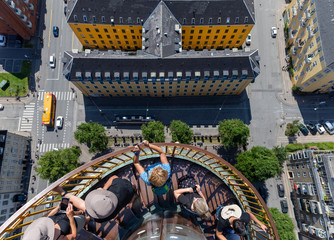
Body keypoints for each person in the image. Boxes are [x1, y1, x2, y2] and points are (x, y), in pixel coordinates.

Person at [54, 175, 135, 223]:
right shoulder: (121, 185)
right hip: (128, 194)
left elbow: (80, 204)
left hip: (118, 208)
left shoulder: (99, 218)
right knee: (133, 188)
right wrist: (104, 189)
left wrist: (61, 192)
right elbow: (114, 177)